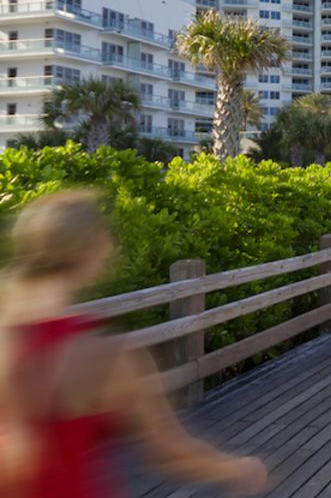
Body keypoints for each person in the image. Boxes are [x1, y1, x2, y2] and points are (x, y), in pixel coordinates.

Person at [0, 189, 268, 498]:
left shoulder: (9, 335)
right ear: (94, 250)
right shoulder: (101, 356)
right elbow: (169, 450)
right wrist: (237, 468)